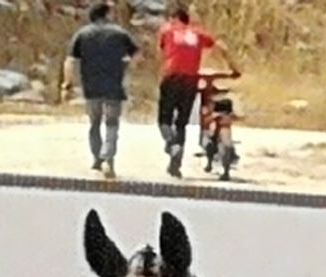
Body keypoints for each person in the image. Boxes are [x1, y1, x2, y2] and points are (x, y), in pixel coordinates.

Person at [157, 3, 238, 178]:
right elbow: (220, 46)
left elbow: (163, 50)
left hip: (171, 77)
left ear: (174, 19)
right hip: (190, 80)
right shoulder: (198, 33)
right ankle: (175, 164)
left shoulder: (168, 30)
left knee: (164, 119)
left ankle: (172, 144)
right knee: (181, 122)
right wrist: (234, 67)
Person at [60, 2, 138, 179]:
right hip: (114, 86)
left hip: (91, 86)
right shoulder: (120, 33)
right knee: (112, 124)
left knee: (94, 123)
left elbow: (70, 61)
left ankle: (97, 158)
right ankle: (107, 158)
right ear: (107, 14)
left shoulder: (82, 34)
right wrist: (125, 67)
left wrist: (67, 84)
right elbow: (135, 55)